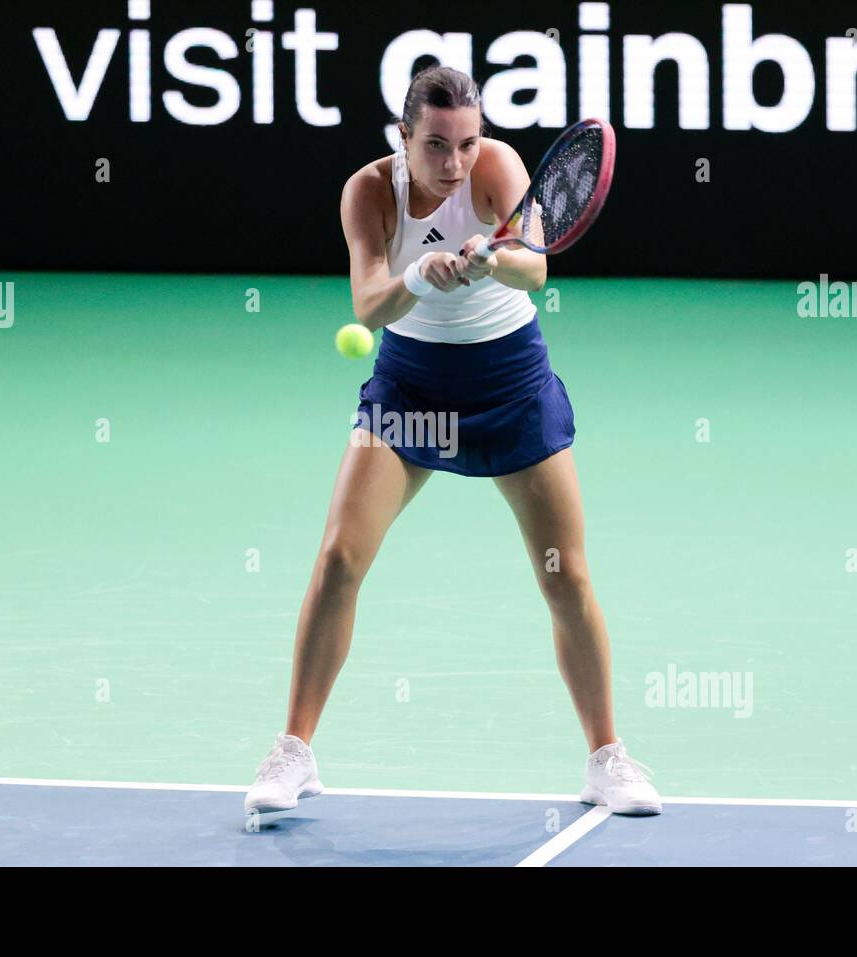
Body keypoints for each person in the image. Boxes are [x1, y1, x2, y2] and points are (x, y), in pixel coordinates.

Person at [245, 65, 660, 818]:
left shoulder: (496, 168)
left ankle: (608, 758)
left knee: (563, 575)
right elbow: (369, 306)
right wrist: (422, 277)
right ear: (403, 137)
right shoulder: (368, 192)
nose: (455, 162)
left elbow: (534, 267)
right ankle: (294, 751)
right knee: (340, 557)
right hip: (412, 391)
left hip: (510, 388)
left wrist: (489, 257)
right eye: (436, 144)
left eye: (466, 143)